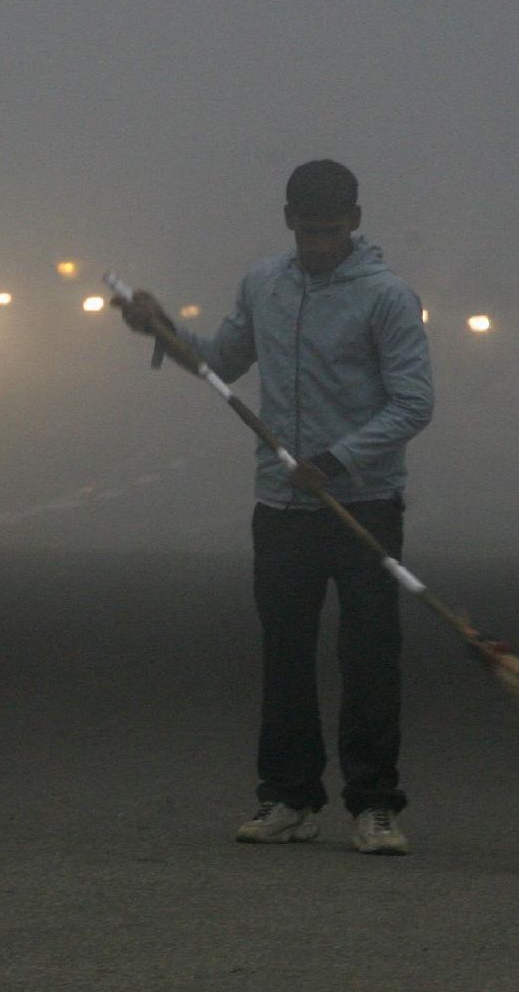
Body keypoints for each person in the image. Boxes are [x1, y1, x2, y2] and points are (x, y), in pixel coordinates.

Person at [119, 159, 433, 855]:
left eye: (331, 230)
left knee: (369, 658)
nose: (318, 243)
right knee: (284, 655)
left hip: (364, 504)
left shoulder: (386, 297)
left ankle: (374, 804)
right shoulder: (264, 284)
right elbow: (219, 362)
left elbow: (414, 402)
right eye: (306, 229)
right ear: (286, 218)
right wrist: (158, 329)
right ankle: (288, 798)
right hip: (281, 505)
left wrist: (338, 459)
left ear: (354, 222)